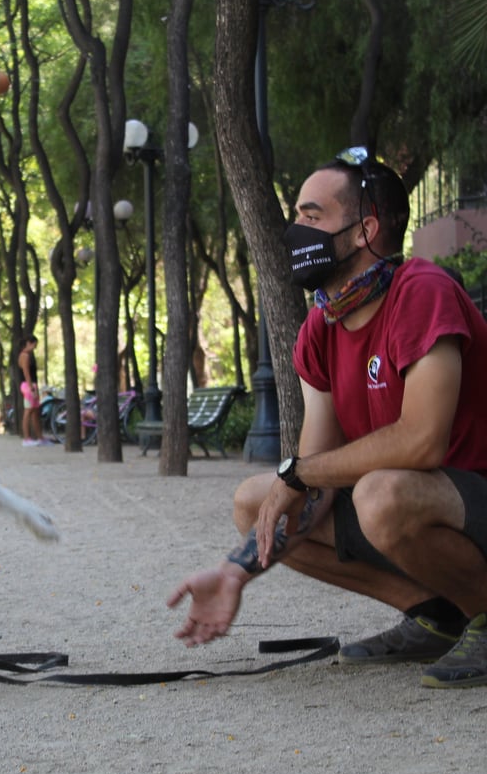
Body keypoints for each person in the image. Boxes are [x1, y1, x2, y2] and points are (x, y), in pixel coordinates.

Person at [168, 147, 487, 689]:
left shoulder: (422, 291)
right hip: (420, 505)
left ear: (363, 230)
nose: (296, 231)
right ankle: (439, 616)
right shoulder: (321, 327)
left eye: (311, 217)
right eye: (296, 216)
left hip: (469, 494)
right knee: (256, 501)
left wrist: (302, 472)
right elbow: (313, 475)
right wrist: (234, 571)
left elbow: (422, 443)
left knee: (378, 493)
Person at [17, 335, 43, 446]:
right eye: (34, 345)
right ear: (29, 343)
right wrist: (31, 387)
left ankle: (39, 437)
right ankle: (26, 438)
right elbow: (26, 372)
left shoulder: (28, 355)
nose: (35, 347)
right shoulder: (25, 356)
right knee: (28, 411)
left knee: (34, 411)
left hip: (31, 385)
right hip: (28, 385)